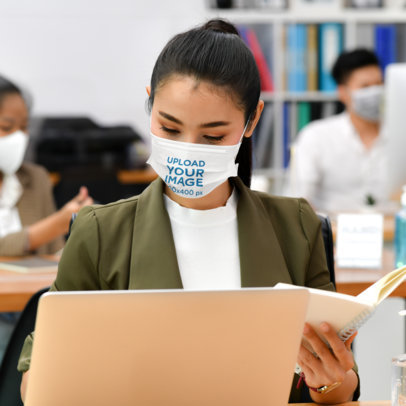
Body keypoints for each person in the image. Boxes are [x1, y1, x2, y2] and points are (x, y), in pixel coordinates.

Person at [18, 20, 359, 403]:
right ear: (150, 103)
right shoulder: (100, 233)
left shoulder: (296, 227)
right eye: (169, 127)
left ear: (253, 120)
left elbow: (344, 388)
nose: (189, 149)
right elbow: (36, 390)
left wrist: (327, 381)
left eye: (213, 136)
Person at [0, 76, 93, 256]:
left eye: (24, 127)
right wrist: (57, 224)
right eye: (6, 127)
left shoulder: (36, 178)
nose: (18, 137)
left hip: (33, 284)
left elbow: (55, 255)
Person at [286, 49, 385, 213]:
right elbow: (296, 200)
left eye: (379, 84)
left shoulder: (400, 135)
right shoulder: (316, 137)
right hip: (334, 233)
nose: (375, 93)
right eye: (365, 86)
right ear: (343, 92)